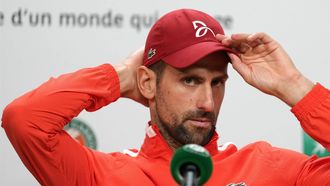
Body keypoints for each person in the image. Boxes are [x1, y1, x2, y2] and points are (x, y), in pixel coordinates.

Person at [2, 8, 329, 186]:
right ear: (147, 83)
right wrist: (119, 77)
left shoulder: (271, 169)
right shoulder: (99, 176)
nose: (207, 102)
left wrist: (295, 87)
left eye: (217, 82)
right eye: (189, 80)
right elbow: (24, 120)